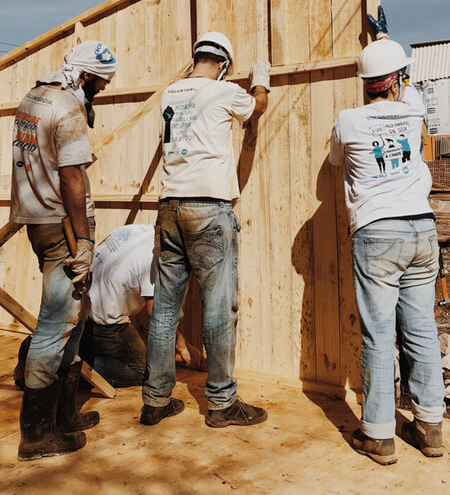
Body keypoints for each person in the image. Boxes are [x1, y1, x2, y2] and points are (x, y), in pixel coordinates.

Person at [329, 7, 445, 465]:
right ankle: (430, 426)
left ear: (364, 83)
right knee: (420, 329)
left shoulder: (348, 120)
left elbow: (337, 162)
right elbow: (409, 86)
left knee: (379, 334)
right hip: (421, 228)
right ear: (397, 79)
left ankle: (378, 434)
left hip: (378, 233)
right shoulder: (413, 108)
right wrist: (386, 39)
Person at [141, 31, 270, 428]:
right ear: (224, 65)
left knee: (165, 309)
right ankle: (221, 402)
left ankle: (155, 400)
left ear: (195, 57)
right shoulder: (225, 91)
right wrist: (261, 78)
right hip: (208, 210)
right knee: (217, 306)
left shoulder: (169, 94)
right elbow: (257, 107)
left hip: (169, 208)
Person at [10, 40, 117, 461]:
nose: (102, 92)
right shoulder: (69, 108)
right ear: (86, 76)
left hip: (37, 220)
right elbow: (72, 178)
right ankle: (36, 436)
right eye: (101, 85)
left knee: (75, 317)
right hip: (63, 227)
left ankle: (65, 415)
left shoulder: (33, 97)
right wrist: (84, 239)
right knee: (56, 324)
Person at [79, 223, 206, 386]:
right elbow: (157, 312)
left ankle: (75, 352)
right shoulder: (161, 259)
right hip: (102, 320)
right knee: (141, 372)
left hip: (81, 302)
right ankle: (74, 367)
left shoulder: (146, 231)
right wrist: (183, 346)